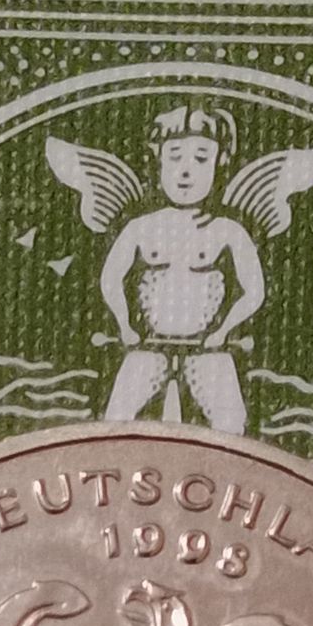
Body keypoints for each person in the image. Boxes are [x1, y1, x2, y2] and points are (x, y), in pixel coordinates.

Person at [100, 106, 265, 433]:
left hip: (209, 352)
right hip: (148, 346)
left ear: (220, 163)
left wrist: (222, 332)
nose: (186, 171)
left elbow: (254, 291)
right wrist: (125, 325)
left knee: (232, 427)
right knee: (115, 421)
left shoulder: (228, 231)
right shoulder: (139, 228)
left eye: (201, 158)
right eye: (175, 157)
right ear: (158, 161)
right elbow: (111, 278)